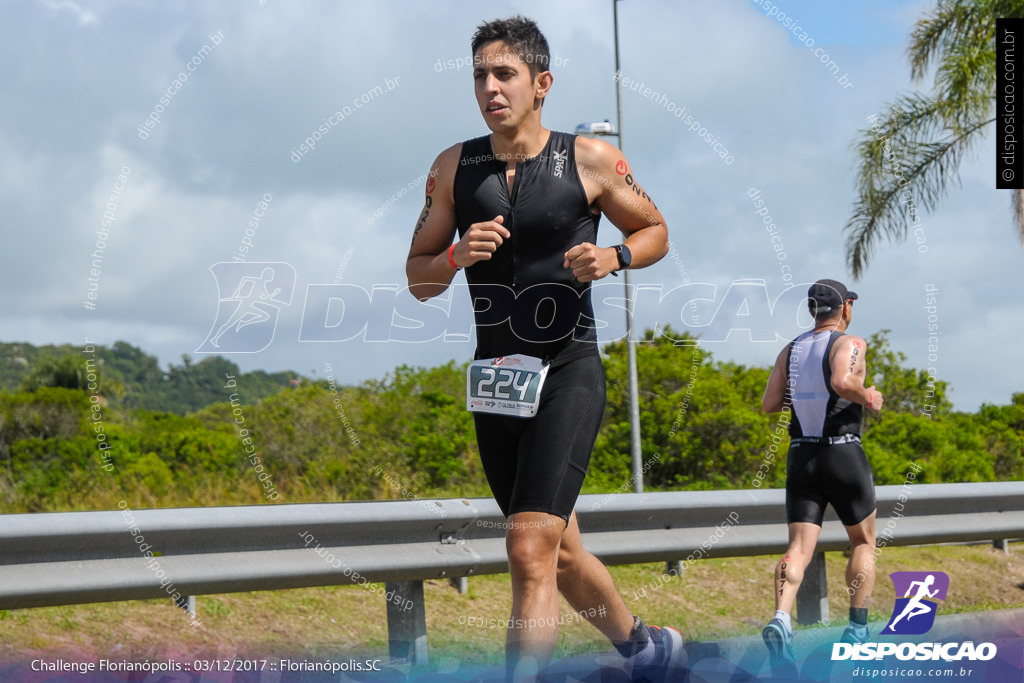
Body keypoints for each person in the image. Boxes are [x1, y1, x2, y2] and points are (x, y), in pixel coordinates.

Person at [405, 15, 685, 682]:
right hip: (495, 378)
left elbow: (657, 230)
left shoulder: (588, 159)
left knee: (528, 547)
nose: (490, 88)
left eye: (505, 74)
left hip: (568, 370)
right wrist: (452, 255)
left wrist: (614, 255)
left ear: (542, 83)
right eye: (480, 75)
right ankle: (650, 649)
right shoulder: (453, 168)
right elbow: (417, 277)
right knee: (555, 553)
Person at [759, 279, 884, 665]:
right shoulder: (852, 343)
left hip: (802, 457)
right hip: (843, 454)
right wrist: (869, 397)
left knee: (798, 548)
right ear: (845, 307)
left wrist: (807, 404)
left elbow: (770, 404)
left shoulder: (790, 349)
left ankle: (781, 618)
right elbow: (842, 382)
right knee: (862, 542)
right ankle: (858, 629)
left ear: (812, 310)